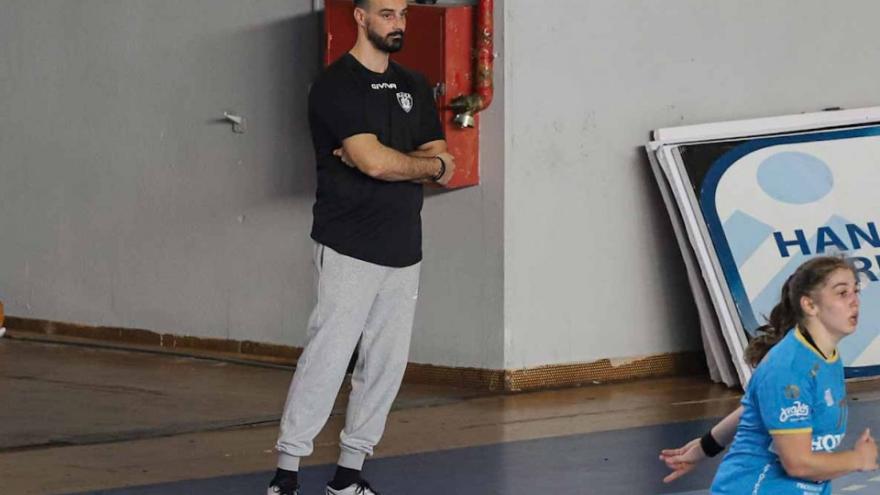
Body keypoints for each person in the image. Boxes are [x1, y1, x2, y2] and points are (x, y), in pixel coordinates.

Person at [267, 0, 455, 494]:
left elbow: (442, 163)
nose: (398, 24)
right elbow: (376, 163)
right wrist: (407, 163)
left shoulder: (414, 84)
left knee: (385, 366)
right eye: (387, 14)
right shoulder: (336, 85)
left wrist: (403, 163)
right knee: (328, 357)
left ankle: (348, 476)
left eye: (403, 15)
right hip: (348, 243)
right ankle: (286, 476)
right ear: (360, 17)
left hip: (404, 247)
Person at [660, 256, 878, 493]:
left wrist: (705, 447)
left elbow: (757, 406)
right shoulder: (789, 368)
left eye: (856, 291)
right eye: (842, 293)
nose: (855, 301)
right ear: (809, 305)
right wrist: (857, 459)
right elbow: (798, 464)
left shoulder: (823, 355)